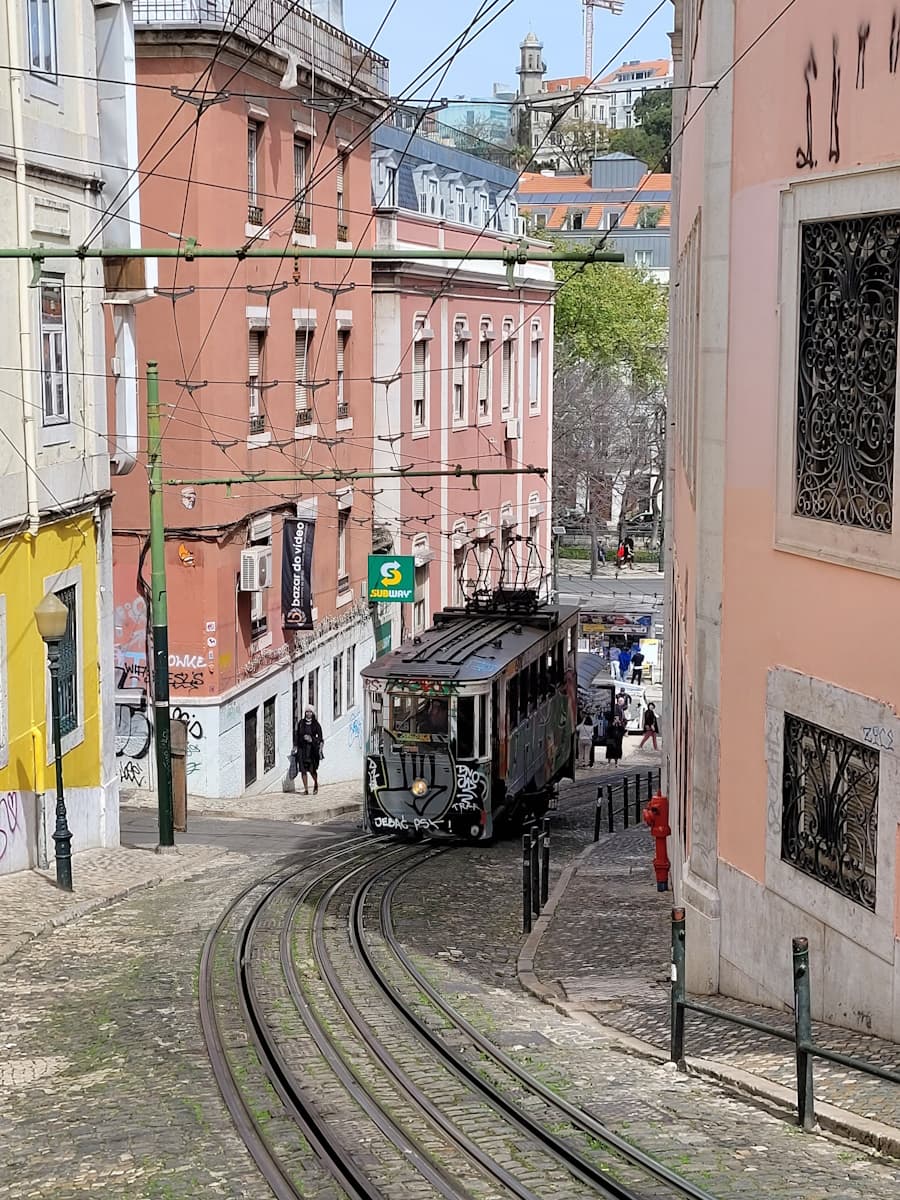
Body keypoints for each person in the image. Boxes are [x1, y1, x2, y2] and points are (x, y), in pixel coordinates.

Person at [294, 706, 324, 795]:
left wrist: (312, 739)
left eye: (310, 712)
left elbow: (320, 738)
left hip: (312, 750)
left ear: (313, 713)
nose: (308, 713)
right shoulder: (301, 723)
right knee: (303, 770)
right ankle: (306, 789)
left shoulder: (316, 724)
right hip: (302, 749)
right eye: (307, 712)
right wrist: (295, 746)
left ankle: (315, 784)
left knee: (312, 770)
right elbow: (297, 735)